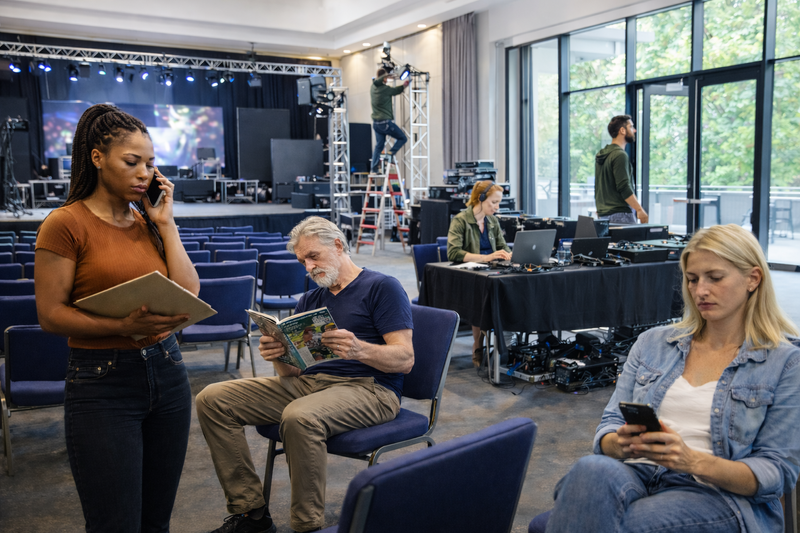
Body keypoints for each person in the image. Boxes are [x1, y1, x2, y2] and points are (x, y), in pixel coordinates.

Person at [545, 224, 800, 533]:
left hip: (716, 493)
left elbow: (777, 471)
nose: (700, 291)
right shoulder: (654, 343)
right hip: (639, 472)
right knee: (590, 468)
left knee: (602, 519)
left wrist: (691, 461)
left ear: (753, 278)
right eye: (692, 280)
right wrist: (620, 444)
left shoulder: (785, 362)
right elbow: (610, 425)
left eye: (715, 278)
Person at [34, 104, 199, 532]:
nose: (145, 172)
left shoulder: (149, 222)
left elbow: (189, 292)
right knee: (116, 523)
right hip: (102, 382)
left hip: (168, 372)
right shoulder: (64, 224)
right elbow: (51, 316)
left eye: (150, 163)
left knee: (155, 522)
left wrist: (167, 224)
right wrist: (121, 328)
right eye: (132, 162)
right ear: (96, 157)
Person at [196, 216, 414, 533]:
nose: (308, 267)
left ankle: (306, 525)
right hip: (311, 383)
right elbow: (294, 370)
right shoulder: (311, 299)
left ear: (338, 245)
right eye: (302, 261)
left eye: (313, 256)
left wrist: (359, 350)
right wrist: (278, 354)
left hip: (370, 388)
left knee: (299, 416)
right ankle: (251, 514)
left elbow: (405, 359)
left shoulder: (381, 287)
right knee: (213, 400)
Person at [446, 180, 512, 367]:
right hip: (468, 277)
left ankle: (507, 345)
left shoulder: (493, 222)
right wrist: (486, 257)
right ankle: (478, 345)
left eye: (499, 203)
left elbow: (503, 247)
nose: (497, 207)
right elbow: (453, 252)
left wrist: (508, 254)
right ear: (480, 199)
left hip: (491, 273)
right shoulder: (460, 220)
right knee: (481, 296)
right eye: (493, 202)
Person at [595, 115, 648, 224]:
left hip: (604, 216)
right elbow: (624, 187)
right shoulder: (619, 155)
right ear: (622, 130)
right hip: (620, 215)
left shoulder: (603, 154)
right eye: (631, 127)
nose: (634, 130)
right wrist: (639, 209)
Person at [370, 68, 409, 173]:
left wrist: (386, 76)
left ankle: (374, 167)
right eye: (386, 77)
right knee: (402, 138)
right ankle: (390, 154)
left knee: (379, 145)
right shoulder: (385, 89)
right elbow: (397, 90)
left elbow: (378, 82)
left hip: (376, 124)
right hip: (385, 123)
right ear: (384, 78)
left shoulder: (372, 88)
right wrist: (405, 85)